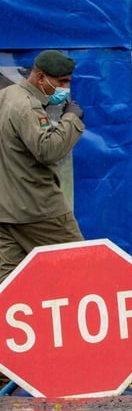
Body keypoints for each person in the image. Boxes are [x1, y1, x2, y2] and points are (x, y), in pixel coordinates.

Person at [0, 50, 86, 284]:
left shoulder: (6, 95)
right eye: (62, 82)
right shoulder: (28, 107)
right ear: (40, 78)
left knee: (10, 286)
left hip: (6, 213)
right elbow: (48, 150)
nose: (65, 89)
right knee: (82, 270)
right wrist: (72, 120)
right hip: (39, 210)